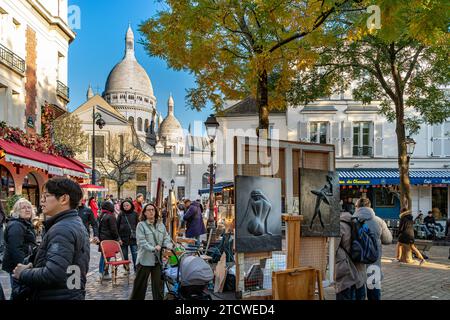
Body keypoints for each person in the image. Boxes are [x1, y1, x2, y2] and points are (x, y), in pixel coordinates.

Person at [12, 177, 90, 300]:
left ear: (64, 199)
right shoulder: (72, 222)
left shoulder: (63, 229)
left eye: (46, 196)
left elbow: (53, 273)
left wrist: (22, 273)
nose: (41, 201)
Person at [130, 203, 172, 300]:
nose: (151, 212)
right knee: (139, 287)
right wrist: (153, 248)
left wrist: (168, 245)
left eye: (153, 209)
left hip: (157, 260)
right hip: (144, 259)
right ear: (144, 213)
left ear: (156, 211)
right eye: (148, 210)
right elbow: (141, 241)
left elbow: (166, 237)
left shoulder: (161, 225)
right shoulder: (141, 225)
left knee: (158, 286)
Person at [353, 198, 392, 301]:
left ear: (357, 207)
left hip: (356, 264)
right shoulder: (378, 221)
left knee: (358, 293)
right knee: (374, 294)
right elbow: (388, 240)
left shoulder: (351, 220)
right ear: (370, 206)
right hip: (373, 262)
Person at [2, 198, 37, 300]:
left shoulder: (24, 223)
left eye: (29, 207)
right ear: (17, 211)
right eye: (23, 208)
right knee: (19, 293)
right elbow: (15, 249)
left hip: (20, 265)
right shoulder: (16, 225)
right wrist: (23, 267)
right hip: (17, 266)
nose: (27, 210)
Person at [335, 210, 365, 300]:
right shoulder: (357, 222)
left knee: (345, 293)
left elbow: (332, 249)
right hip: (359, 265)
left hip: (346, 269)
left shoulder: (339, 226)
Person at [98, 201, 120, 280]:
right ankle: (104, 273)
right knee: (106, 257)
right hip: (108, 239)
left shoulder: (102, 215)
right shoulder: (110, 216)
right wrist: (117, 239)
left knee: (103, 256)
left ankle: (102, 272)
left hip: (102, 239)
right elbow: (114, 230)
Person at [117, 199, 138, 272]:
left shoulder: (135, 214)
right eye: (124, 206)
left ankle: (136, 269)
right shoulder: (121, 214)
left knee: (135, 254)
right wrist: (118, 238)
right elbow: (117, 226)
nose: (125, 207)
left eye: (127, 205)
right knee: (124, 255)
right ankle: (126, 269)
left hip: (133, 238)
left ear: (131, 205)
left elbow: (138, 225)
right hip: (123, 238)